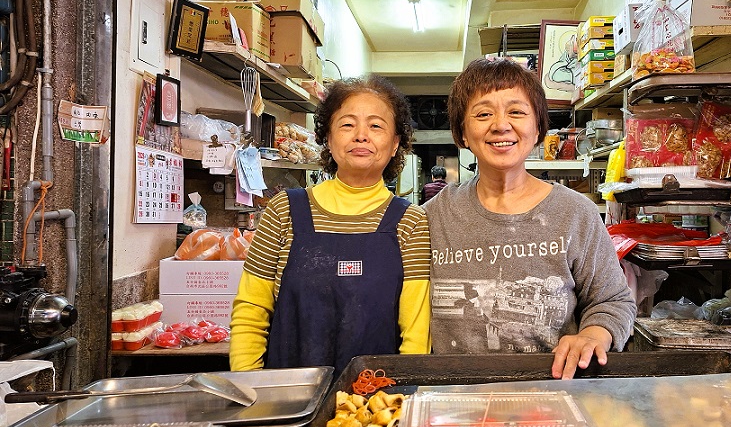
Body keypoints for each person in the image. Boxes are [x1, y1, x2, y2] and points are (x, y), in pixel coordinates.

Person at [424, 58, 635, 380]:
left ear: (538, 129)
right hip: (454, 394)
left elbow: (612, 300)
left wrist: (593, 335)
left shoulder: (576, 213)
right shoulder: (432, 217)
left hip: (553, 390)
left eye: (517, 112)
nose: (500, 125)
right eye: (483, 114)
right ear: (462, 133)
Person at [230, 75, 432, 374]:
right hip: (288, 397)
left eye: (376, 126)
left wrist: (399, 399)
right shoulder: (284, 210)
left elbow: (416, 332)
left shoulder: (410, 221)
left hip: (375, 404)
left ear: (395, 145)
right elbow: (251, 308)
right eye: (347, 124)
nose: (361, 135)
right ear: (327, 138)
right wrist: (252, 388)